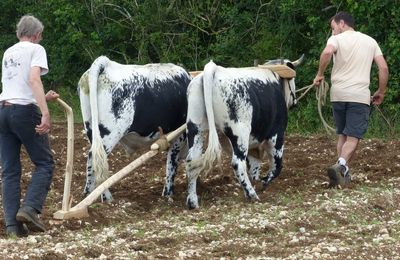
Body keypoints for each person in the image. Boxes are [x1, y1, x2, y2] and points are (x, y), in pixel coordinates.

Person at [313, 11, 389, 188]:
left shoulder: (336, 40)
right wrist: (381, 91)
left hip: (338, 95)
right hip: (359, 95)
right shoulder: (371, 42)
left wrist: (320, 74)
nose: (332, 33)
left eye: (333, 28)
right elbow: (383, 68)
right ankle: (340, 165)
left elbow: (326, 53)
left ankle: (342, 173)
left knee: (343, 135)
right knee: (353, 137)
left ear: (342, 23)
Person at [0, 15, 60, 237]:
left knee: (10, 171)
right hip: (24, 113)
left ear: (19, 33)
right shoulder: (36, 49)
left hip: (4, 111)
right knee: (45, 163)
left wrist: (43, 98)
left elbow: (18, 88)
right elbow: (34, 79)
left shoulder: (9, 52)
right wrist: (45, 113)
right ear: (36, 35)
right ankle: (30, 209)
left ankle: (12, 227)